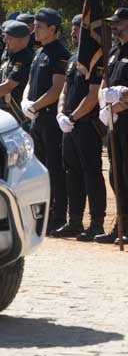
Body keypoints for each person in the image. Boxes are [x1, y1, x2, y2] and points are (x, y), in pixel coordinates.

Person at [53, 14, 107, 240]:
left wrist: (73, 118)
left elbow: (94, 95)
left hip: (86, 124)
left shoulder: (97, 57)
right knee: (71, 173)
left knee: (91, 173)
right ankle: (74, 220)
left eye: (79, 29)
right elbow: (65, 89)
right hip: (70, 124)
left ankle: (96, 222)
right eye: (74, 29)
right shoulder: (75, 58)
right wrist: (60, 114)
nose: (74, 33)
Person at [23, 8, 70, 232]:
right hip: (36, 119)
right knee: (38, 169)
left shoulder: (59, 53)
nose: (35, 30)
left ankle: (58, 216)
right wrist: (25, 101)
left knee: (54, 169)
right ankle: (41, 215)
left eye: (39, 26)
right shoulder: (39, 52)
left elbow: (57, 87)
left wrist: (35, 105)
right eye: (35, 25)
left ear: (52, 29)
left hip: (50, 119)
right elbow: (30, 83)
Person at [97, 7, 128, 244]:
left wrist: (119, 103)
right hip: (114, 121)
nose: (114, 27)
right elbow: (105, 83)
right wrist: (104, 107)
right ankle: (122, 223)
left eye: (118, 23)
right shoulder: (115, 50)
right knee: (115, 175)